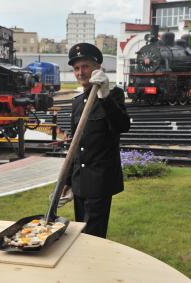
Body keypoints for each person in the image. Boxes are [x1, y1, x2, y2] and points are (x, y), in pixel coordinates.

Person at [58, 43, 130, 238]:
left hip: (100, 181)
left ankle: (93, 267)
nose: (81, 72)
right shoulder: (77, 102)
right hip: (80, 181)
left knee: (93, 237)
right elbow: (75, 146)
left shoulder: (113, 95)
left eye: (85, 66)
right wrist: (68, 182)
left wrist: (104, 95)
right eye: (76, 68)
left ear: (97, 67)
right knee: (80, 233)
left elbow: (122, 126)